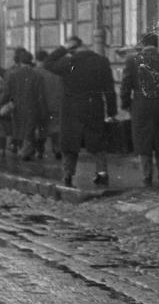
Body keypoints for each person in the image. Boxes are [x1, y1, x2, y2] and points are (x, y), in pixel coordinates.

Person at [45, 35, 119, 189]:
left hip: (71, 108)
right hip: (94, 106)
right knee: (98, 141)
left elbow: (48, 63)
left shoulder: (68, 62)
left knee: (70, 142)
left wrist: (63, 48)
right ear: (85, 44)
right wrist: (111, 112)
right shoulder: (101, 61)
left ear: (72, 48)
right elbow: (109, 89)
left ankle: (68, 174)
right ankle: (102, 173)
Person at [120, 32, 159, 186]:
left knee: (142, 140)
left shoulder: (132, 61)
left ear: (142, 44)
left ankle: (147, 175)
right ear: (157, 44)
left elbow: (125, 86)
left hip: (140, 105)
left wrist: (126, 104)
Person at [0, 48, 45, 161]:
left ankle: (23, 149)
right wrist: (43, 110)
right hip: (32, 106)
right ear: (31, 61)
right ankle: (26, 150)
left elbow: (6, 92)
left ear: (19, 61)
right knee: (29, 129)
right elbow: (40, 95)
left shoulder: (13, 75)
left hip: (17, 106)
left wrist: (1, 105)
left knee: (19, 128)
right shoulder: (37, 75)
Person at [33, 48, 65, 160]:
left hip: (41, 106)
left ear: (36, 60)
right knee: (56, 129)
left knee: (41, 129)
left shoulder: (35, 72)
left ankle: (40, 151)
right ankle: (57, 150)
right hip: (56, 104)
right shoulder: (56, 72)